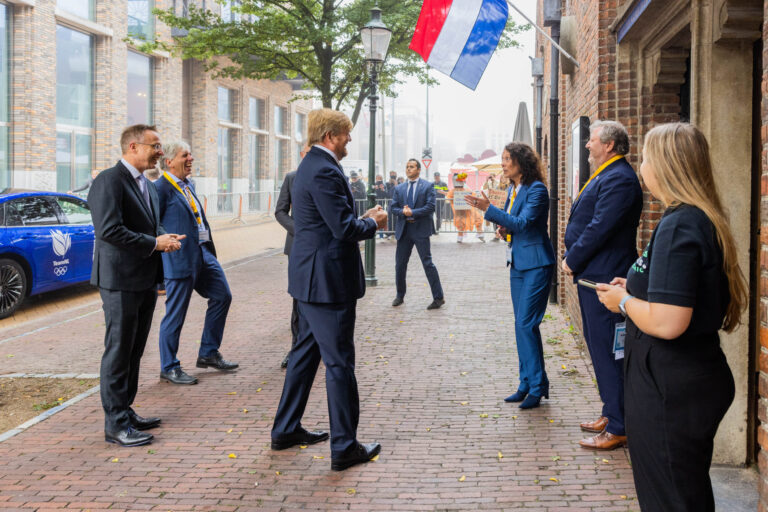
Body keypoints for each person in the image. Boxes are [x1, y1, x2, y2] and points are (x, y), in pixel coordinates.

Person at [596, 123, 746, 511]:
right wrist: (630, 290)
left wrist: (623, 303)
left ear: (664, 164)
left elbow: (668, 321)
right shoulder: (692, 218)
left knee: (671, 498)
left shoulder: (681, 224)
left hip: (670, 387)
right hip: (679, 381)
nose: (641, 166)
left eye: (645, 157)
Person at [271, 108, 387, 471]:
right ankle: (344, 446)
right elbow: (343, 228)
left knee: (305, 356)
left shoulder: (312, 165)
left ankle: (286, 429)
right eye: (346, 133)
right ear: (330, 135)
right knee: (339, 363)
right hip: (326, 284)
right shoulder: (322, 169)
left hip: (310, 280)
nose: (350, 139)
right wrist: (373, 221)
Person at [88, 124, 185, 447]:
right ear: (132, 147)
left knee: (133, 350)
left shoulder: (147, 183)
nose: (160, 152)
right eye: (154, 146)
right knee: (118, 351)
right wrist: (154, 243)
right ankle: (114, 424)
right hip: (118, 281)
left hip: (143, 280)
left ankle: (125, 411)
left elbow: (150, 225)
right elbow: (109, 231)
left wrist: (165, 239)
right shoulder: (109, 181)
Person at [562, 120, 643, 450]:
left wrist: (572, 259)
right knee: (599, 348)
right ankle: (611, 411)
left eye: (592, 140)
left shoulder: (620, 179)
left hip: (605, 277)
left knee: (611, 352)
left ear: (609, 145)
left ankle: (620, 425)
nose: (587, 145)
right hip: (594, 276)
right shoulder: (608, 173)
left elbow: (599, 227)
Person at [466, 143, 555, 409]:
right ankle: (525, 383)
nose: (503, 164)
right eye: (503, 159)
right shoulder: (513, 190)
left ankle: (537, 388)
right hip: (517, 264)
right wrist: (503, 230)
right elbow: (513, 226)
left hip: (537, 265)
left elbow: (525, 224)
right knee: (521, 325)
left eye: (507, 159)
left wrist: (488, 209)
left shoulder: (537, 189)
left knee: (526, 325)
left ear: (521, 162)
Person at [155, 141, 238, 386]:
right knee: (176, 314)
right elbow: (153, 223)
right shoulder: (160, 189)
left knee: (223, 296)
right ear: (169, 161)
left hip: (203, 254)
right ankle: (169, 367)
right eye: (185, 155)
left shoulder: (188, 185)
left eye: (190, 153)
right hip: (179, 258)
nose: (190, 158)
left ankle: (208, 352)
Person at [390, 158, 445, 310]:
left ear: (419, 169)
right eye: (407, 167)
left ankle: (438, 297)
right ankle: (399, 295)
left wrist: (412, 212)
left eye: (412, 167)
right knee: (400, 265)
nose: (408, 169)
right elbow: (393, 207)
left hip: (420, 230)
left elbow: (430, 207)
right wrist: (403, 212)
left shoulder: (427, 186)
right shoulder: (399, 188)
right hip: (404, 230)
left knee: (427, 263)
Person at [274, 145, 311, 369]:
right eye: (307, 153)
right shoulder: (292, 178)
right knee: (298, 298)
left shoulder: (330, 176)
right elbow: (280, 211)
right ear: (302, 154)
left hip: (321, 249)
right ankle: (296, 348)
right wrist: (299, 231)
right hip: (297, 247)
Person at [446, 173, 484, 243]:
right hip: (460, 211)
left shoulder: (465, 190)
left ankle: (480, 234)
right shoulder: (454, 191)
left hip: (468, 210)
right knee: (461, 222)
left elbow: (472, 196)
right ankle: (460, 237)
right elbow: (449, 198)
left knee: (478, 218)